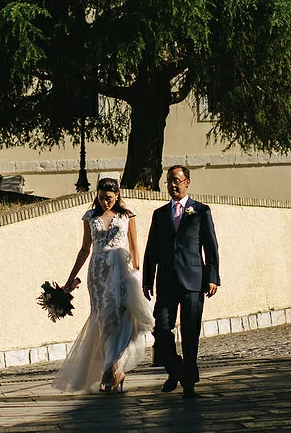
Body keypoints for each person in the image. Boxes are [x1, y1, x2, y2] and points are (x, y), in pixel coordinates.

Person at [51, 179, 154, 393]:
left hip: (120, 271)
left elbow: (135, 247)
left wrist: (137, 273)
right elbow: (84, 249)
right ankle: (113, 371)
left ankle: (111, 369)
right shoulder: (90, 216)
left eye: (108, 198)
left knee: (117, 318)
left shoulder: (127, 215)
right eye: (100, 198)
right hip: (97, 273)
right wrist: (70, 280)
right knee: (101, 320)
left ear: (117, 195)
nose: (105, 202)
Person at [142, 165, 220, 396]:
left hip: (193, 281)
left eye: (176, 180)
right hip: (166, 281)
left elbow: (210, 246)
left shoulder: (201, 211)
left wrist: (212, 277)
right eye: (169, 181)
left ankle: (188, 383)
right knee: (161, 329)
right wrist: (147, 280)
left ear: (187, 182)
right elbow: (152, 249)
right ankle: (176, 369)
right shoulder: (159, 214)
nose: (172, 185)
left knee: (190, 332)